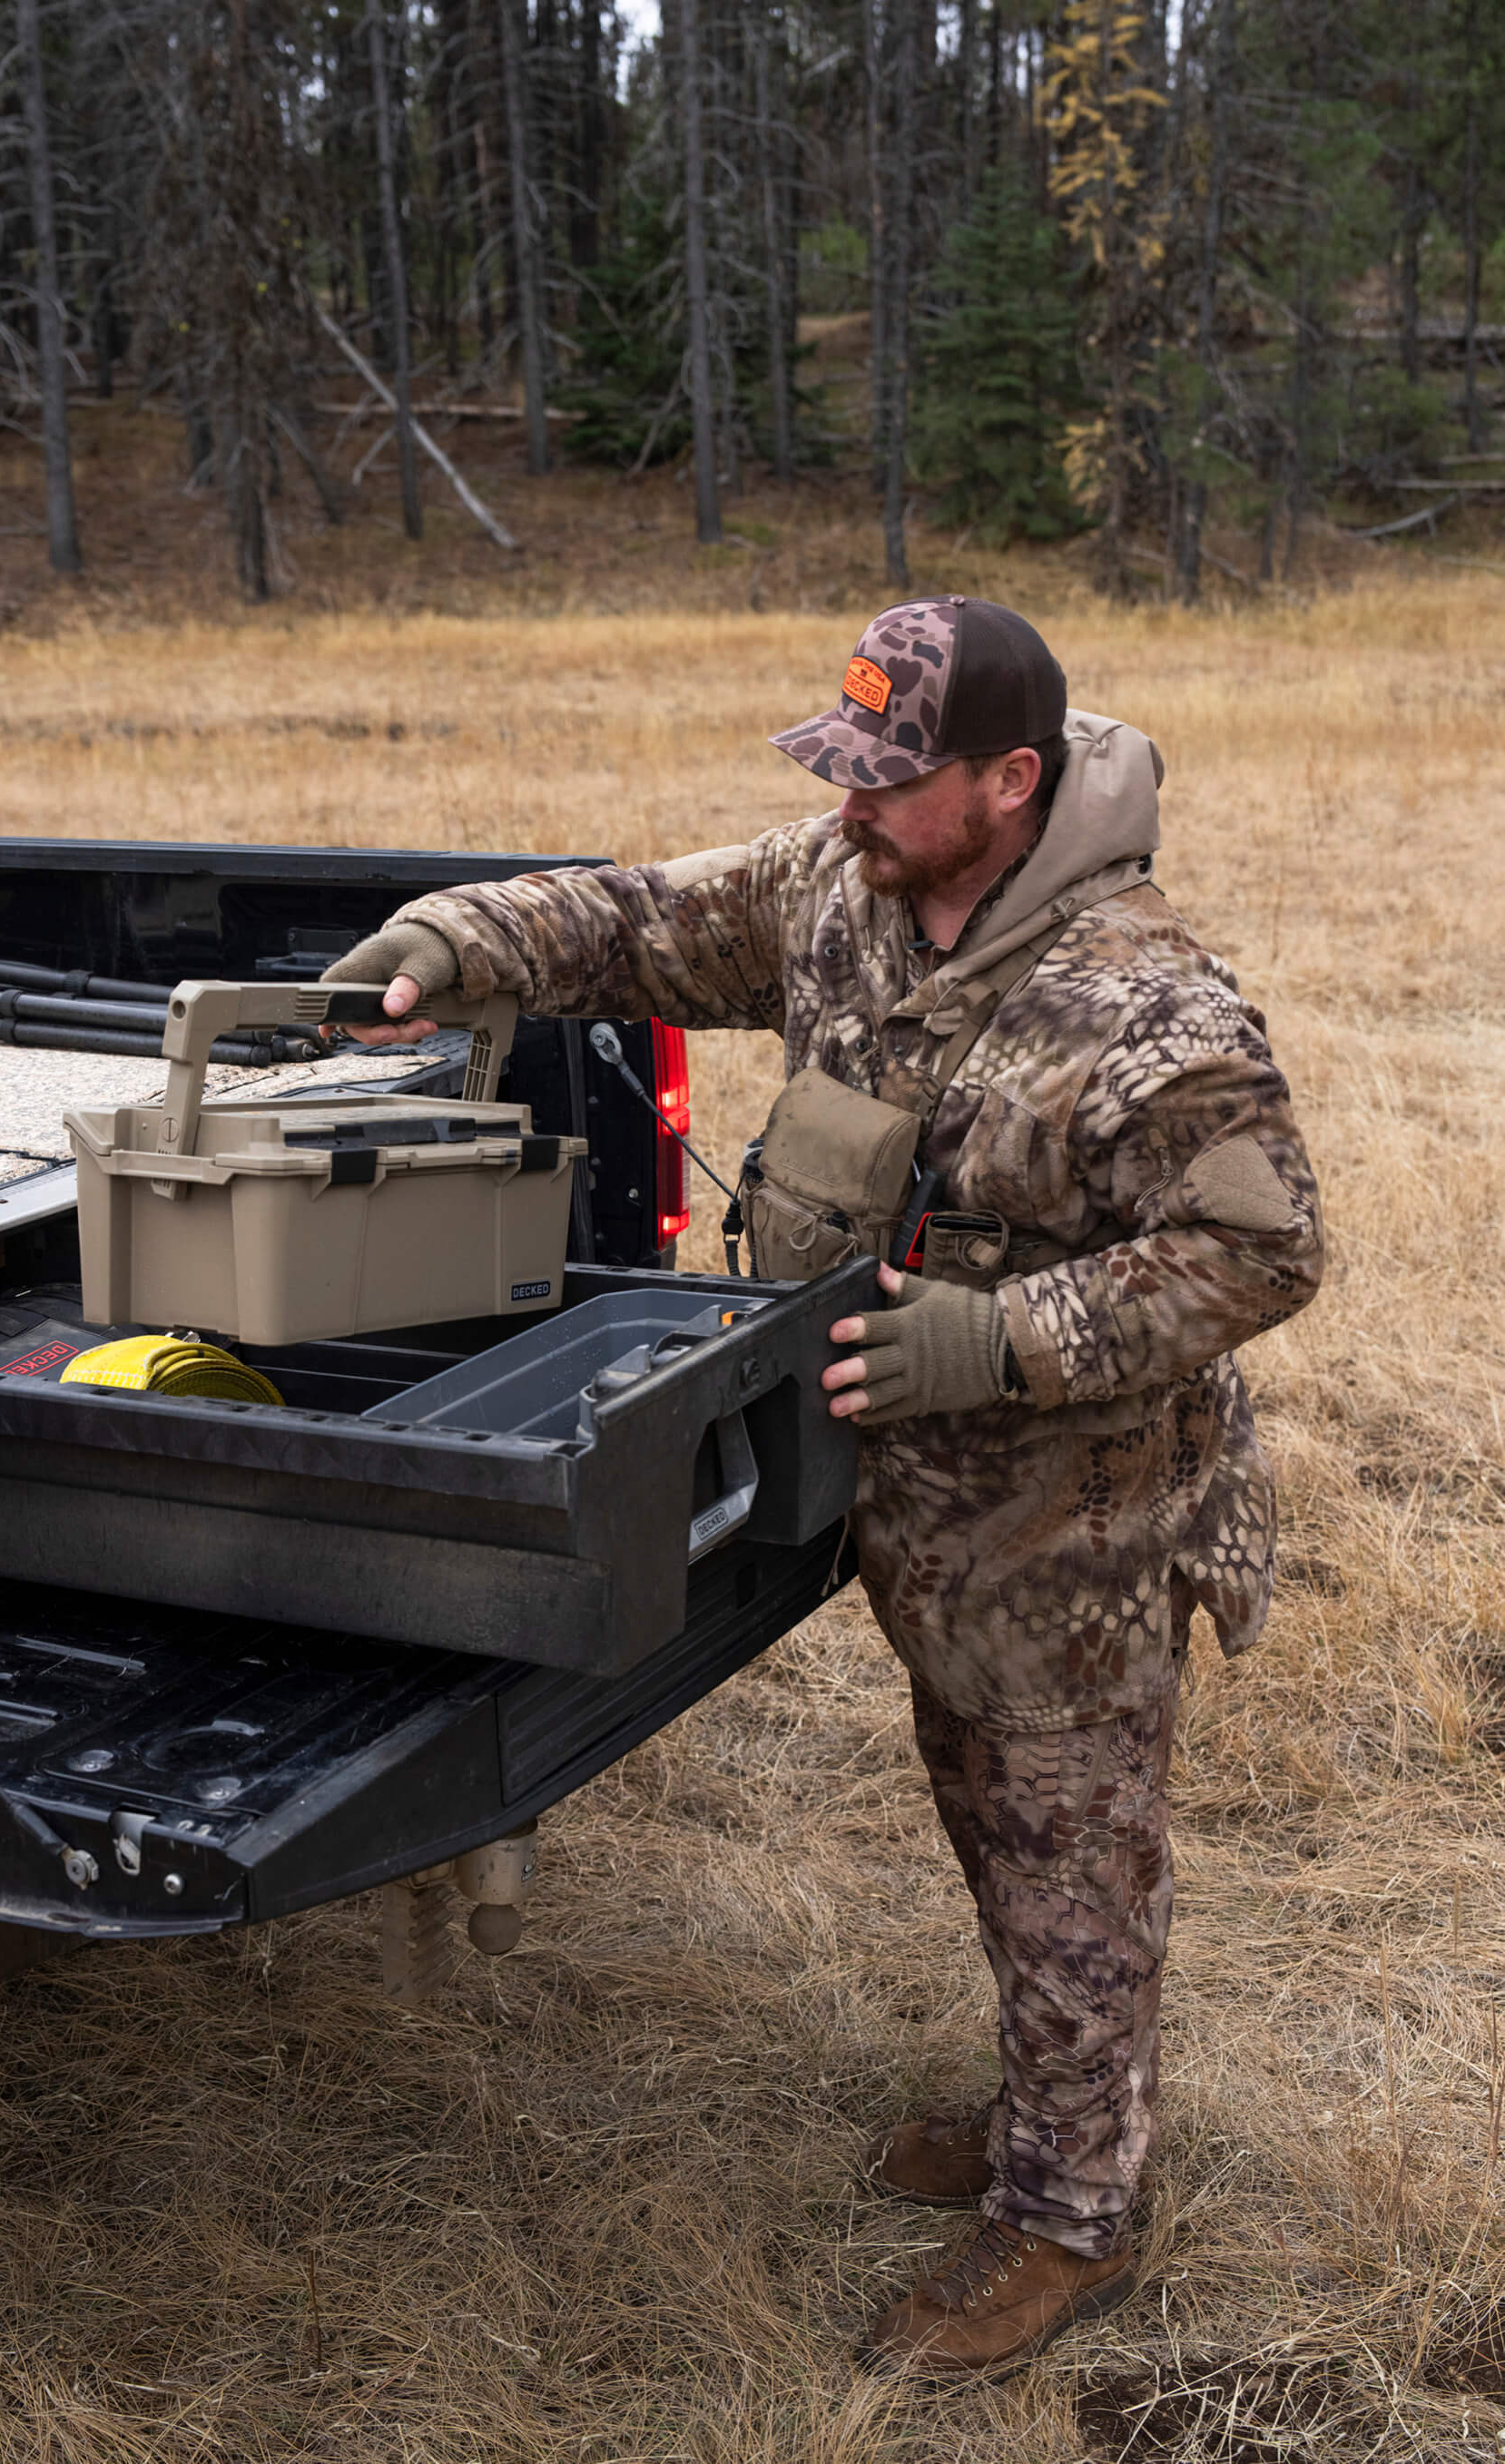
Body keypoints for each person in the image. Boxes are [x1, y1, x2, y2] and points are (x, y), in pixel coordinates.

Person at [325, 596, 1323, 2380]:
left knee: (1069, 1854)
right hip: (923, 1512)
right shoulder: (843, 889)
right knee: (989, 1811)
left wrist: (996, 1342)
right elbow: (636, 916)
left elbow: (1257, 1248)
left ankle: (1069, 2214)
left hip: (1073, 1527)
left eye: (890, 779)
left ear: (1009, 782)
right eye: (840, 770)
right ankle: (1048, 2112)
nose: (848, 806)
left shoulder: (1143, 1006)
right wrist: (450, 939)